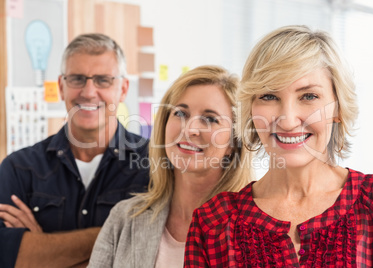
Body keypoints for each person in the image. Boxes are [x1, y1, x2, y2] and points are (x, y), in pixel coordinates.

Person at [185, 25, 373, 267]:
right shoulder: (213, 223)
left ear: (338, 108)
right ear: (251, 110)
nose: (287, 121)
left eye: (308, 96)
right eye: (268, 96)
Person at [0, 33, 150, 267]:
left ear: (123, 89)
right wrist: (119, 238)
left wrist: (42, 245)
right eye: (77, 79)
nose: (89, 92)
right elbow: (6, 256)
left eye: (103, 80)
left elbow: (155, 254)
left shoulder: (154, 165)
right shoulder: (18, 168)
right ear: (61, 86)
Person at [88, 65, 253, 267]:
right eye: (181, 113)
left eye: (210, 119)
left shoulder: (253, 229)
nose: (190, 129)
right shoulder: (125, 218)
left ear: (233, 143)